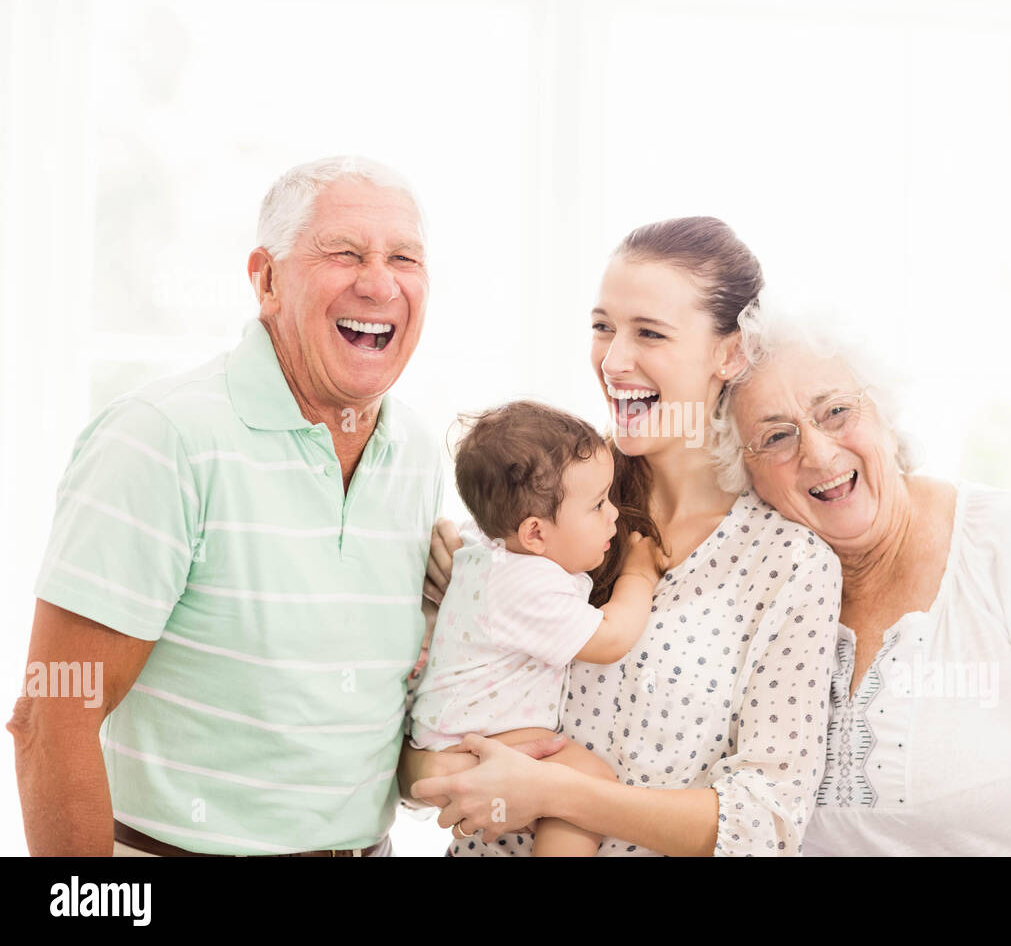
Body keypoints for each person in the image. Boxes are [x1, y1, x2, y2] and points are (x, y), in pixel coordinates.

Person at [7, 156, 442, 856]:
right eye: (346, 254)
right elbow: (52, 713)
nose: (380, 281)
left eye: (404, 257)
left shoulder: (417, 452)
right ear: (266, 280)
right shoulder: (161, 437)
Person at [400, 217, 842, 856]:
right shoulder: (537, 512)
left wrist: (555, 793)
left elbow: (764, 825)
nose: (612, 360)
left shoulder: (787, 565)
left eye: (650, 334)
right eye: (602, 326)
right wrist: (436, 770)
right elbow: (414, 761)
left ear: (731, 352)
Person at [711, 305, 1011, 855]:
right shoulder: (755, 595)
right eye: (775, 438)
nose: (816, 452)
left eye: (836, 411)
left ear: (883, 413)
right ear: (747, 478)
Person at [409, 401, 663, 855]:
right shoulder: (527, 582)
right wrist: (639, 576)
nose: (614, 515)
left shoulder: (489, 545)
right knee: (585, 782)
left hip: (450, 732)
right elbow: (610, 639)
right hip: (470, 741)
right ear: (535, 533)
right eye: (598, 504)